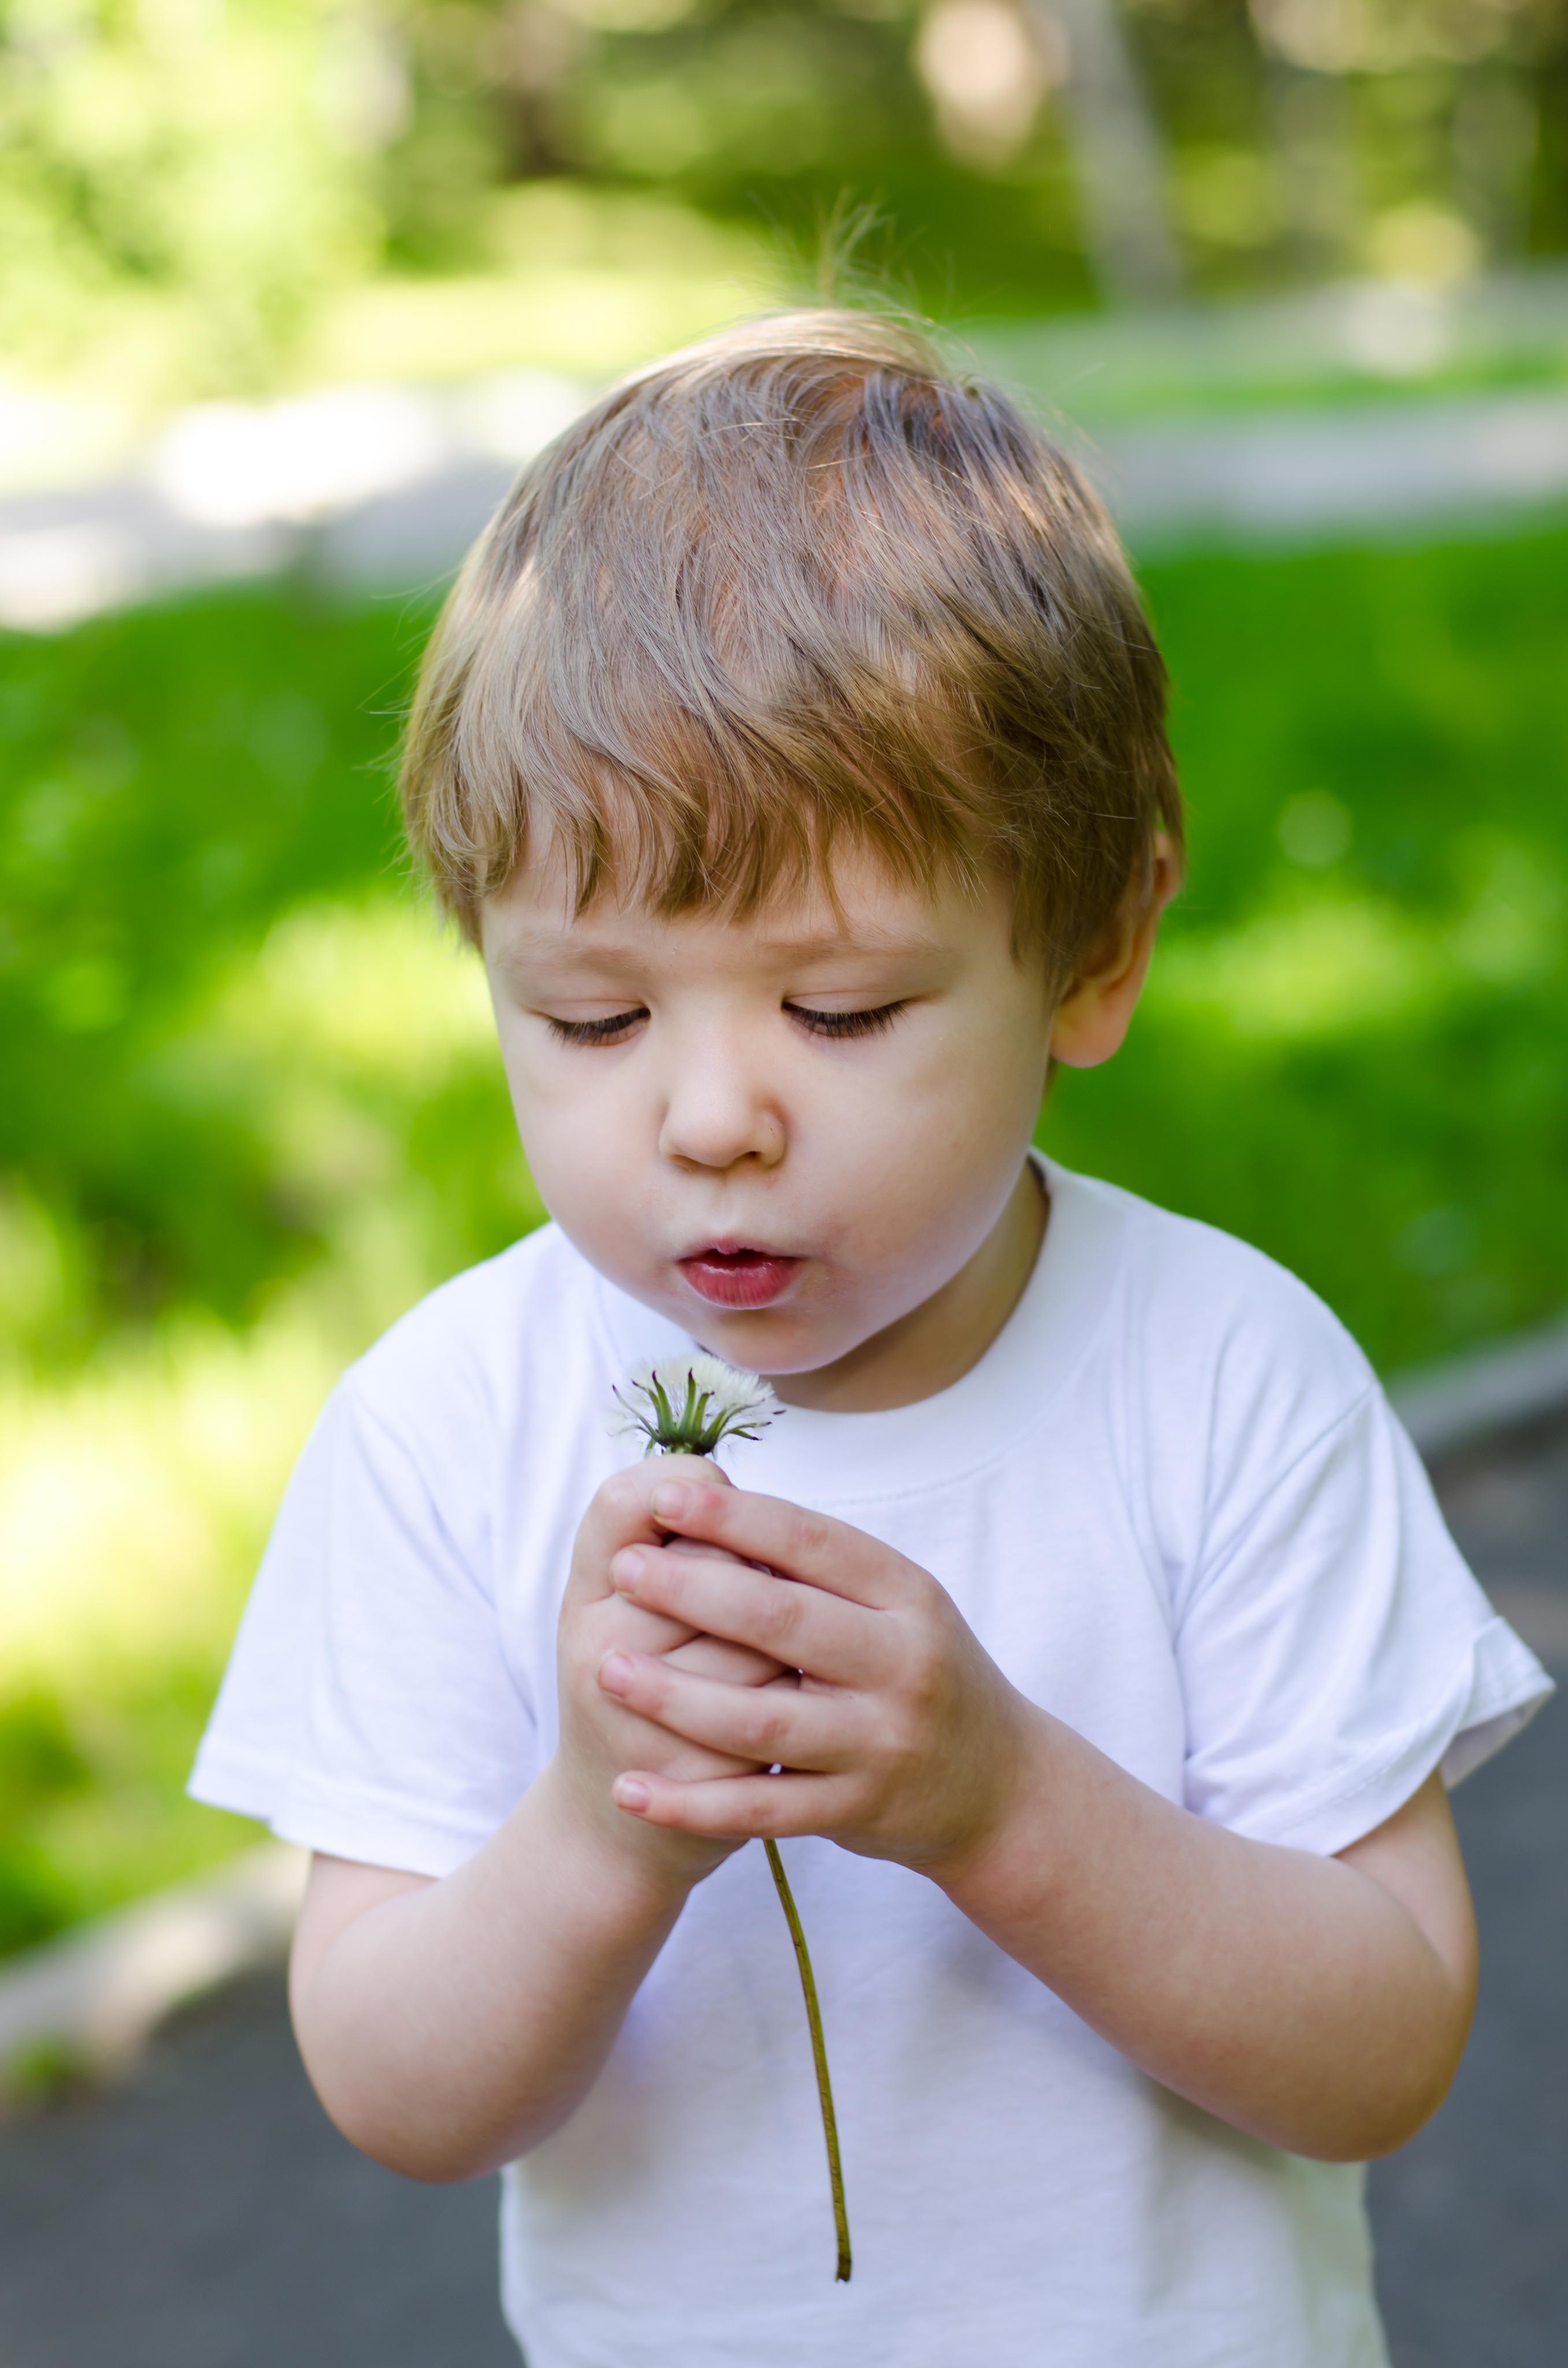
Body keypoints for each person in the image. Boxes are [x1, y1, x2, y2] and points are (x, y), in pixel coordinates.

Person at [190, 309, 1551, 2368]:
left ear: (1095, 950)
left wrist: (1002, 1799)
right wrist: (595, 1819)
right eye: (590, 1015)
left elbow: (1377, 2049)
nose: (711, 1112)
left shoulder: (1222, 1377)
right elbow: (400, 2087)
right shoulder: (447, 1429)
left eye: (838, 1012)